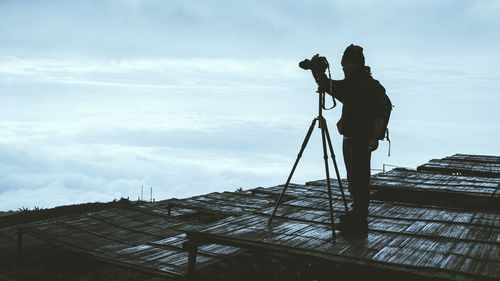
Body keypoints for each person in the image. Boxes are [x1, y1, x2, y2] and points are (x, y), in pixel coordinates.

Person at [316, 44, 386, 235]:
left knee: (360, 178)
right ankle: (356, 214)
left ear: (355, 64)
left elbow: (380, 113)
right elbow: (331, 87)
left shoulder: (368, 86)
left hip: (361, 139)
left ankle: (360, 218)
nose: (343, 68)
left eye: (345, 64)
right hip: (349, 138)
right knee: (354, 178)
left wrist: (374, 137)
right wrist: (318, 74)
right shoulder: (353, 84)